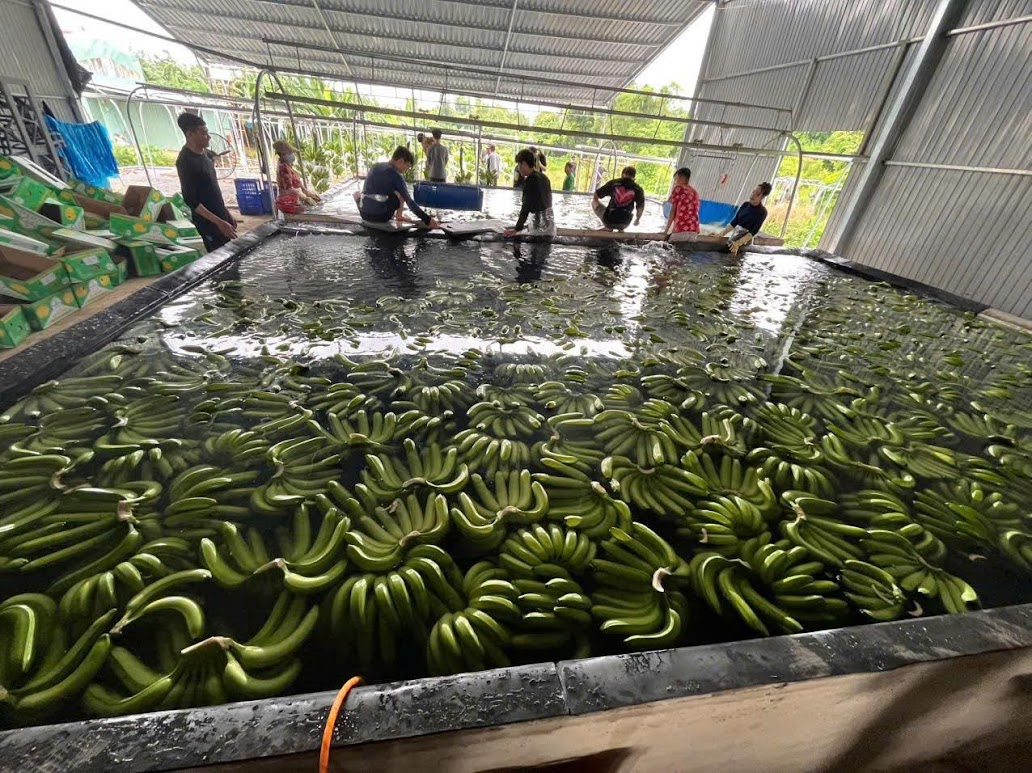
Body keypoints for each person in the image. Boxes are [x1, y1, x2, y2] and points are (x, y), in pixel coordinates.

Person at [175, 112, 236, 251]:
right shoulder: (185, 162)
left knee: (231, 252)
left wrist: (226, 214)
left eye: (207, 132)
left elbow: (213, 189)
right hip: (208, 223)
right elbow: (192, 201)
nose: (208, 136)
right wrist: (219, 222)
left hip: (220, 215)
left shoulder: (206, 154)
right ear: (190, 134)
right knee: (219, 256)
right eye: (203, 133)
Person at [357, 146, 440, 229]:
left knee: (362, 194)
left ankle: (395, 214)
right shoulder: (396, 175)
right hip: (381, 217)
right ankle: (399, 216)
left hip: (363, 213)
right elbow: (409, 202)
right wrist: (428, 220)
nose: (406, 170)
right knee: (400, 192)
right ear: (401, 161)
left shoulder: (375, 166)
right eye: (407, 166)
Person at [504, 148, 554, 238]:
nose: (518, 168)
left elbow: (525, 207)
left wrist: (517, 229)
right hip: (550, 226)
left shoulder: (530, 181)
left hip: (539, 229)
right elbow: (548, 203)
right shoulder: (544, 178)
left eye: (519, 165)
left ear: (524, 164)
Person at [717, 182, 772, 254]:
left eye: (757, 194)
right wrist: (720, 234)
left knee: (730, 252)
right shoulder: (745, 205)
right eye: (753, 192)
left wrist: (738, 243)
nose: (753, 195)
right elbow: (734, 222)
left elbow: (753, 232)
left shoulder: (762, 212)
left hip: (745, 240)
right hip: (736, 235)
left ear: (763, 197)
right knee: (724, 248)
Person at [593, 166, 645, 231]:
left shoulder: (613, 183)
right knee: (624, 213)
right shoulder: (638, 189)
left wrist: (597, 200)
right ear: (634, 177)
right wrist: (637, 220)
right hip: (625, 223)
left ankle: (608, 227)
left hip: (609, 220)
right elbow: (640, 208)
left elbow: (596, 195)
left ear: (622, 174)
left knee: (594, 202)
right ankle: (621, 229)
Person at [273, 140, 321, 207]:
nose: (292, 155)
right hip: (289, 201)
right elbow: (289, 189)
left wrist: (306, 192)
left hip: (295, 197)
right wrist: (305, 198)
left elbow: (296, 182)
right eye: (290, 153)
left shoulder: (287, 165)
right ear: (283, 154)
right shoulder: (283, 168)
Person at [666, 167, 700, 235]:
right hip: (695, 231)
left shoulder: (678, 188)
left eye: (676, 179)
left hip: (681, 229)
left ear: (680, 178)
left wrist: (665, 231)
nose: (675, 182)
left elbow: (672, 211)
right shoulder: (694, 192)